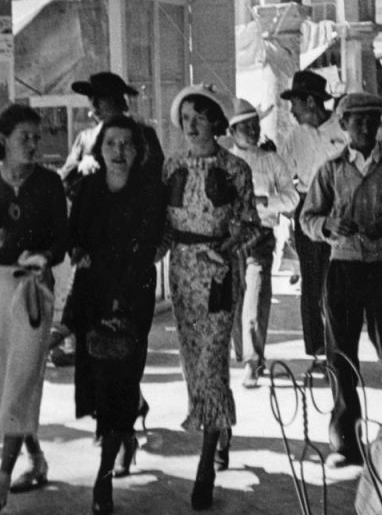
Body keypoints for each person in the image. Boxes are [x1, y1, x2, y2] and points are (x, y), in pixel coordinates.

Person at [299, 92, 382, 469]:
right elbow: (308, 219)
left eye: (373, 120)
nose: (366, 127)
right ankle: (345, 442)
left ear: (380, 124)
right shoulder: (331, 169)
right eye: (357, 121)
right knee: (341, 356)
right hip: (345, 269)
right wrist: (328, 226)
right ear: (344, 125)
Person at [0, 104, 69, 514]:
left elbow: (63, 238)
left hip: (33, 289)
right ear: (3, 138)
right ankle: (37, 458)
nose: (32, 144)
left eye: (36, 137)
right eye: (24, 136)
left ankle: (2, 478)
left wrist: (44, 256)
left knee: (23, 376)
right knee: (3, 382)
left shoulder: (50, 183)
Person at [63, 115, 167, 514]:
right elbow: (73, 235)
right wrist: (77, 251)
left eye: (127, 144)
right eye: (111, 144)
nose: (119, 152)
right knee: (100, 384)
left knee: (120, 381)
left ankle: (103, 478)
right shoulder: (88, 187)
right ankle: (123, 432)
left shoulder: (148, 192)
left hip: (130, 296)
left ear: (138, 151)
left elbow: (144, 251)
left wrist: (120, 299)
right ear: (99, 149)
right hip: (93, 297)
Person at [163, 83, 260, 510]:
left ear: (217, 123)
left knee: (211, 361)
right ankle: (218, 428)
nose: (192, 125)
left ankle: (204, 469)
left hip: (219, 274)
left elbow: (250, 223)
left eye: (200, 117)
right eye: (186, 118)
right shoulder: (171, 166)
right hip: (182, 274)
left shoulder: (237, 169)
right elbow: (163, 226)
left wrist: (229, 243)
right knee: (191, 363)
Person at [226, 98, 298, 389]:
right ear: (233, 131)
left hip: (261, 236)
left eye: (255, 125)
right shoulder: (224, 162)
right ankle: (244, 352)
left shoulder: (272, 160)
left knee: (255, 296)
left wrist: (265, 201)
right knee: (234, 299)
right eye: (245, 127)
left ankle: (252, 362)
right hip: (230, 239)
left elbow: (292, 197)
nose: (253, 131)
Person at [277, 70, 345, 372]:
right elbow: (280, 174)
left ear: (310, 101)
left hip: (340, 208)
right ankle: (317, 349)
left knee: (339, 280)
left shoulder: (342, 129)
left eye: (295, 103)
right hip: (307, 208)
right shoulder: (294, 137)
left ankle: (340, 346)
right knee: (312, 280)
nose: (292, 111)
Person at [61, 71, 165, 199]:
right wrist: (82, 169)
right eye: (90, 98)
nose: (94, 104)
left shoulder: (144, 134)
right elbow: (66, 181)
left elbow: (155, 178)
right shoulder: (85, 138)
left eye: (101, 97)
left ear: (117, 99)